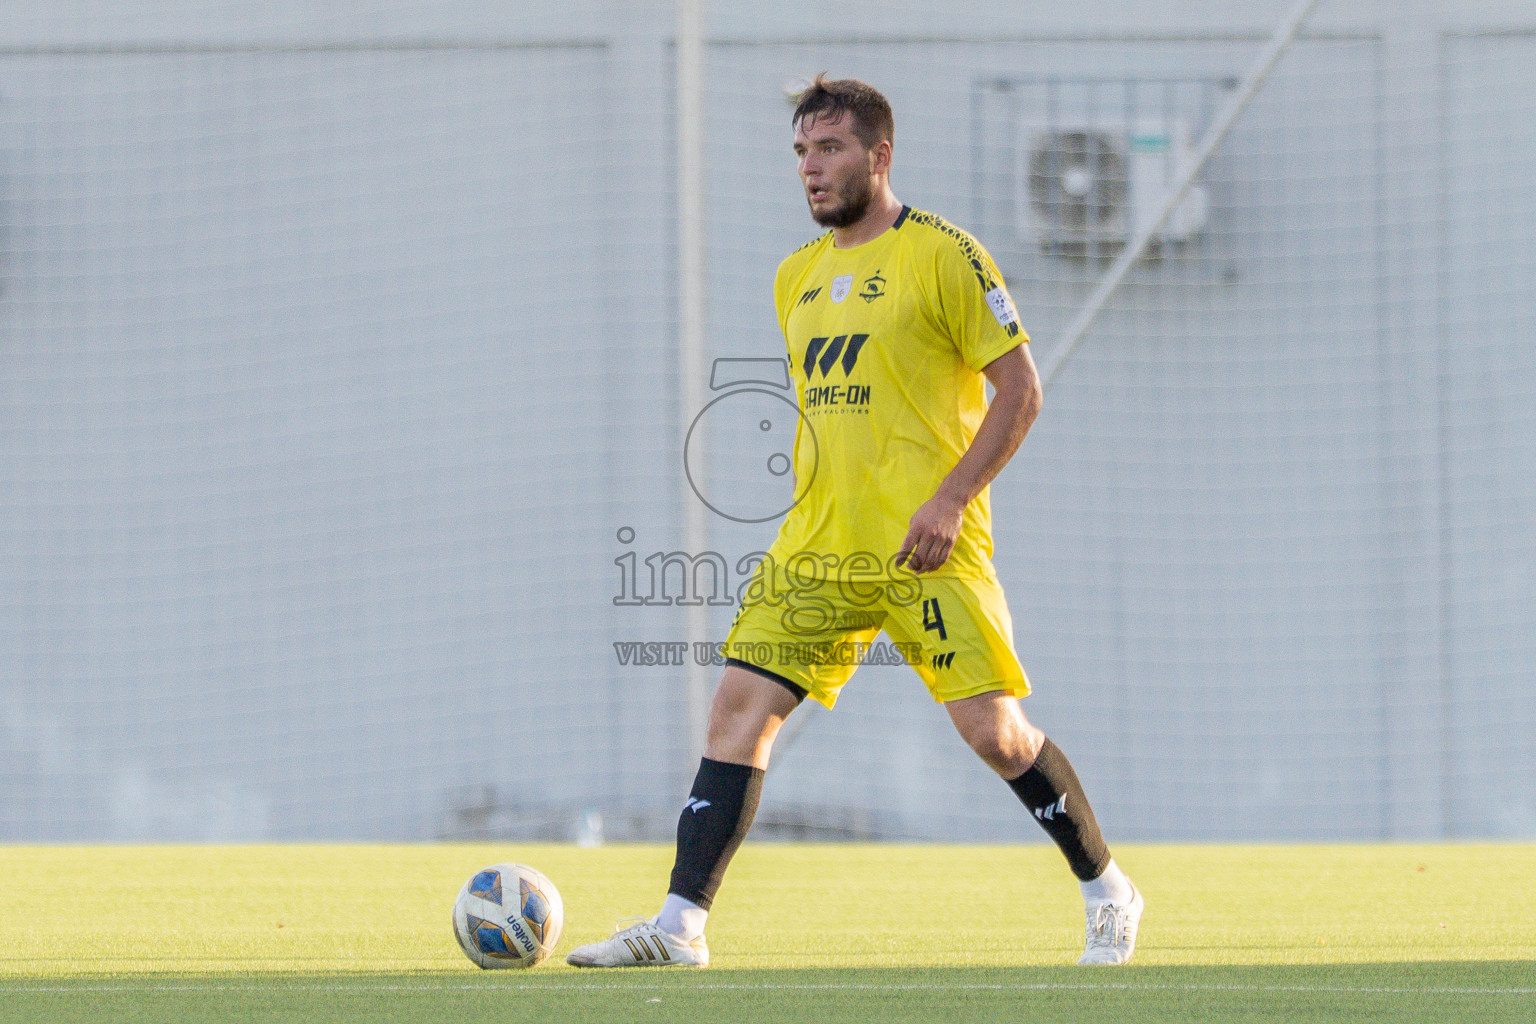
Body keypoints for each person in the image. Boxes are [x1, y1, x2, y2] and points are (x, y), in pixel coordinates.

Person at [568, 75, 1142, 969]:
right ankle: (680, 928)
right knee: (734, 713)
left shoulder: (948, 255)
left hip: (927, 548)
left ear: (880, 155)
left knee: (995, 734)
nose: (811, 168)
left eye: (829, 149)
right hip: (816, 550)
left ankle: (1108, 889)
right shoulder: (795, 277)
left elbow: (1021, 391)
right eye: (801, 152)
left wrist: (950, 498)